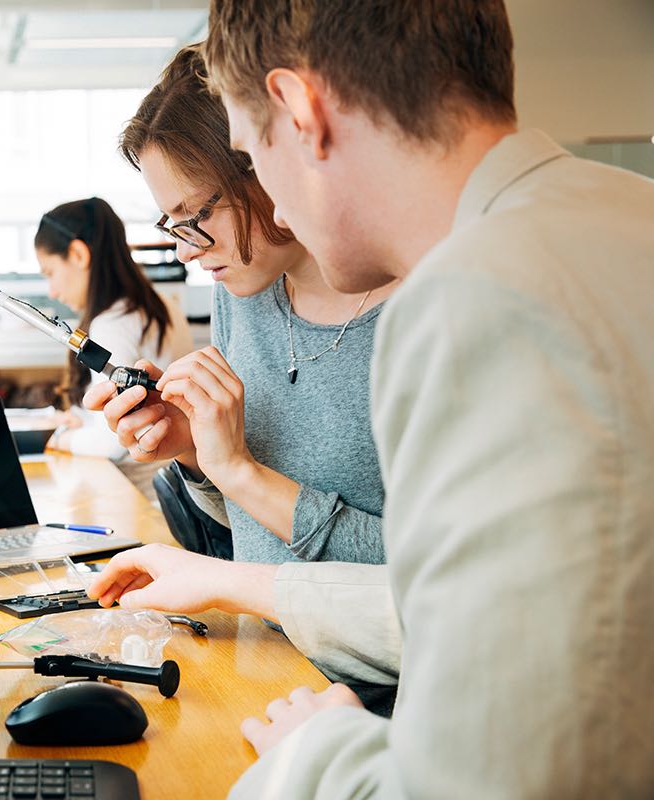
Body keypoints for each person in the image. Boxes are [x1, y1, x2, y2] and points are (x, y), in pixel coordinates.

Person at [201, 0, 649, 796]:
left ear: (300, 110)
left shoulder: (471, 300)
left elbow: (484, 784)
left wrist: (316, 753)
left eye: (250, 151)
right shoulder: (629, 215)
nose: (270, 201)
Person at [81, 44, 396, 684]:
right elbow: (258, 535)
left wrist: (241, 471)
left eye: (198, 216)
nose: (192, 250)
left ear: (267, 166)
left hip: (374, 695)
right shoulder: (242, 292)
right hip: (262, 660)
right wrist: (195, 451)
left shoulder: (415, 315)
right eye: (172, 226)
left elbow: (432, 579)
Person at [36, 197, 193, 493]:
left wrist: (59, 438)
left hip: (143, 501)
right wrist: (82, 424)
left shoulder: (111, 323)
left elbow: (114, 441)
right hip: (180, 487)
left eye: (50, 272)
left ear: (79, 254)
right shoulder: (158, 305)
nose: (52, 291)